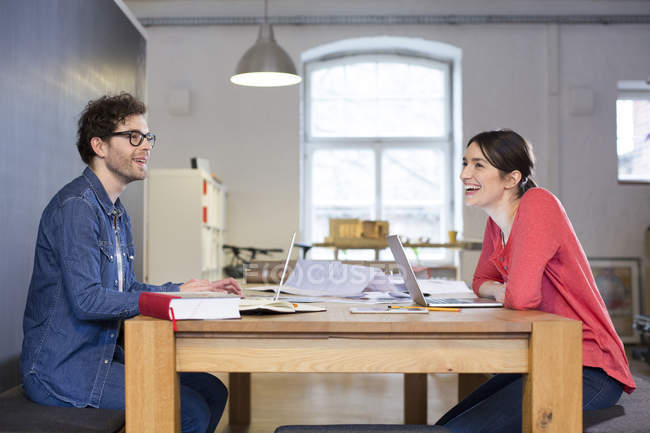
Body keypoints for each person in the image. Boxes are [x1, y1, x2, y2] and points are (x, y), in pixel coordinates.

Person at [20, 92, 242, 433]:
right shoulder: (77, 208)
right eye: (134, 137)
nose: (146, 146)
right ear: (100, 146)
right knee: (190, 411)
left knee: (212, 389)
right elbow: (88, 299)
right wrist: (165, 301)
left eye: (148, 137)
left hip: (105, 353)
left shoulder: (116, 213)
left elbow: (127, 289)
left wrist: (181, 290)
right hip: (62, 367)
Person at [435, 129, 635, 433]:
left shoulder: (538, 204)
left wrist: (508, 291)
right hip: (545, 355)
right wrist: (503, 289)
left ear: (511, 178)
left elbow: (523, 297)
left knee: (456, 431)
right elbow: (478, 281)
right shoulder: (496, 222)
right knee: (447, 424)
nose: (464, 174)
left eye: (478, 165)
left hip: (589, 368)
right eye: (465, 163)